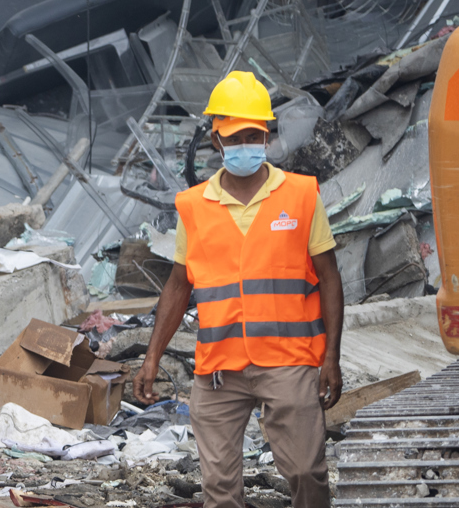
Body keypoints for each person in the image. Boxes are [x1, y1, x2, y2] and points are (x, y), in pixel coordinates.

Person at [132, 71, 344, 508]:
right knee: (221, 491)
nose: (248, 143)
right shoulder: (193, 207)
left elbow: (329, 276)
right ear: (217, 141)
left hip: (289, 363)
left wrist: (332, 358)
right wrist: (151, 358)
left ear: (265, 136)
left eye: (255, 134)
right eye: (238, 136)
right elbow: (178, 286)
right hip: (217, 372)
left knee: (306, 471)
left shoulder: (301, 196)